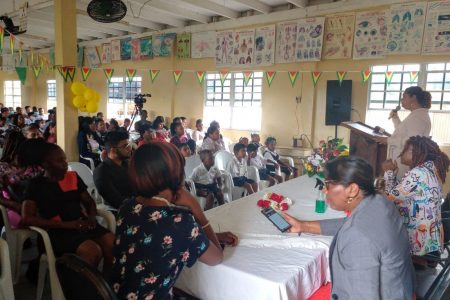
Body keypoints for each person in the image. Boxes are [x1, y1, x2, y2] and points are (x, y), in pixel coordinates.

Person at [111, 142, 238, 299]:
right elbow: (216, 257)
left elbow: (155, 235)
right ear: (176, 176)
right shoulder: (180, 222)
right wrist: (196, 208)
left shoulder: (127, 206)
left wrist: (208, 235)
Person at [283, 156, 414, 299]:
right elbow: (349, 223)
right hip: (400, 288)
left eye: (328, 185)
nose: (325, 191)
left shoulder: (357, 237)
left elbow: (363, 296)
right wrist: (303, 225)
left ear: (352, 190)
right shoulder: (380, 201)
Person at [21, 142, 114, 275]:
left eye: (64, 159)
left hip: (80, 224)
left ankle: (106, 283)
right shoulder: (35, 185)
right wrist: (68, 225)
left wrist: (92, 217)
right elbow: (27, 218)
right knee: (92, 251)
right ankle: (79, 290)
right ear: (45, 164)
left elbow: (89, 202)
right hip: (56, 231)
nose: (65, 163)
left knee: (111, 243)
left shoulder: (73, 177)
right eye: (59, 161)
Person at [383, 136, 449, 265]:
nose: (401, 153)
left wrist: (389, 172)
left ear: (413, 152)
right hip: (431, 241)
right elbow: (403, 194)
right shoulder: (430, 169)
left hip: (420, 245)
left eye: (405, 149)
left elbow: (390, 196)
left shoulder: (418, 173)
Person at [388, 86, 432, 178]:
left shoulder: (418, 117)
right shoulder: (416, 114)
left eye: (404, 97)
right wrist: (395, 118)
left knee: (399, 190)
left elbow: (411, 142)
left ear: (413, 98)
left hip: (405, 164)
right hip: (401, 162)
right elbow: (403, 133)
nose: (401, 100)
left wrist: (388, 140)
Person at [94, 131, 133, 210]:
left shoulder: (126, 163)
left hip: (137, 202)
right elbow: (116, 201)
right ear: (113, 150)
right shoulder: (101, 172)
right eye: (125, 146)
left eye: (129, 145)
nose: (129, 149)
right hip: (121, 210)